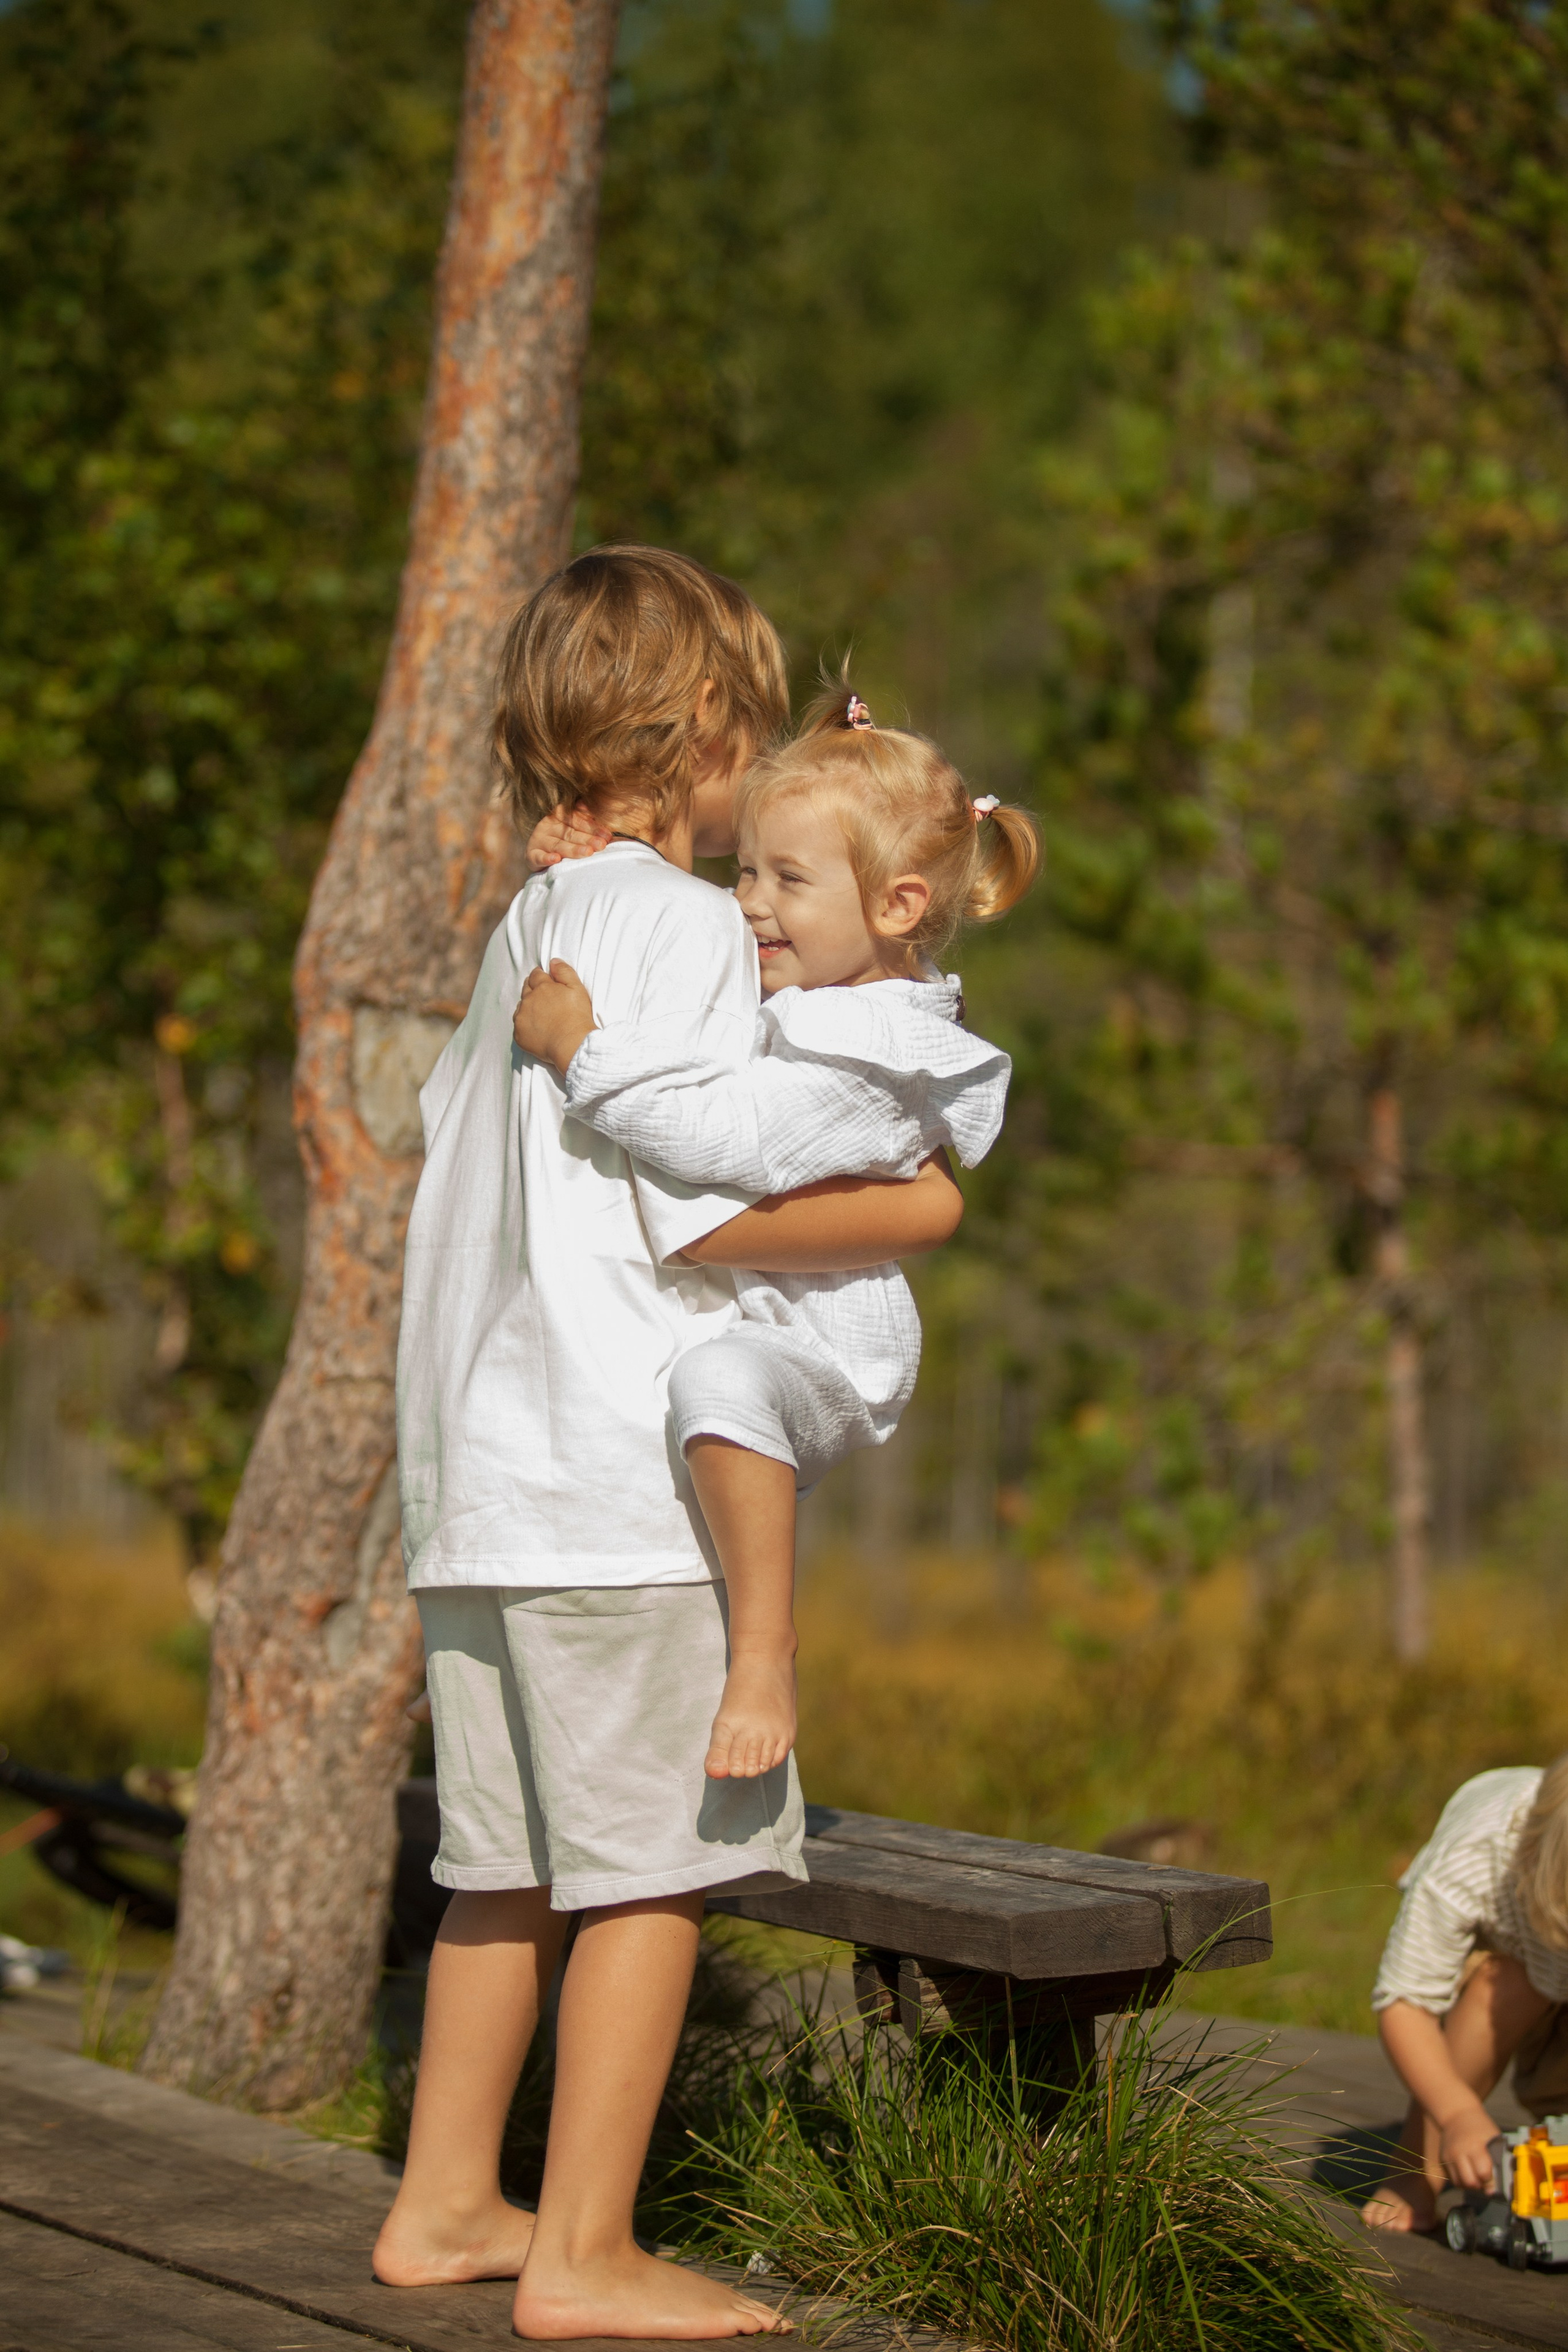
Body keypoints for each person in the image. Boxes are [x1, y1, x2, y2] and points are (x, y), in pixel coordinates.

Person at [372, 546, 963, 2341]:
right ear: (701, 726)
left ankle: (450, 2199)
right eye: (757, 734)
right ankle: (586, 2247)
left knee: (505, 1864)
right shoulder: (705, 932)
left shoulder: (520, 927)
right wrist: (911, 1207)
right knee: (652, 1871)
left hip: (468, 1488)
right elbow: (702, 1194)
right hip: (609, 1481)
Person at [513, 684, 1039, 1789]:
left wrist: (581, 1056)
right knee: (712, 1377)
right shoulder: (827, 983)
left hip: (823, 1347)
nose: (748, 903)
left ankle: (765, 1652)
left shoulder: (881, 1055)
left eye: (785, 880)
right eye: (744, 869)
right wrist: (591, 843)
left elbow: (728, 1135)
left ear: (896, 908)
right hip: (768, 1307)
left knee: (721, 1382)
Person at [1363, 1758, 1568, 2233]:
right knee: (1507, 1984)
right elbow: (1405, 2002)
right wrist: (1459, 2114)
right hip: (1505, 1980)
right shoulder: (1478, 1851)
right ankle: (1418, 2167)